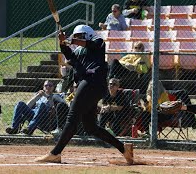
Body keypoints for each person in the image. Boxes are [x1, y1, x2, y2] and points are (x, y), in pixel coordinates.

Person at [34, 24, 134, 164]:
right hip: (90, 85)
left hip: (93, 82)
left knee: (72, 118)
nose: (77, 40)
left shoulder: (98, 42)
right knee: (91, 127)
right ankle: (123, 148)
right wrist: (62, 42)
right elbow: (70, 56)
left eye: (79, 37)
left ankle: (55, 153)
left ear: (86, 35)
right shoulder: (80, 51)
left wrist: (70, 40)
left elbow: (91, 45)